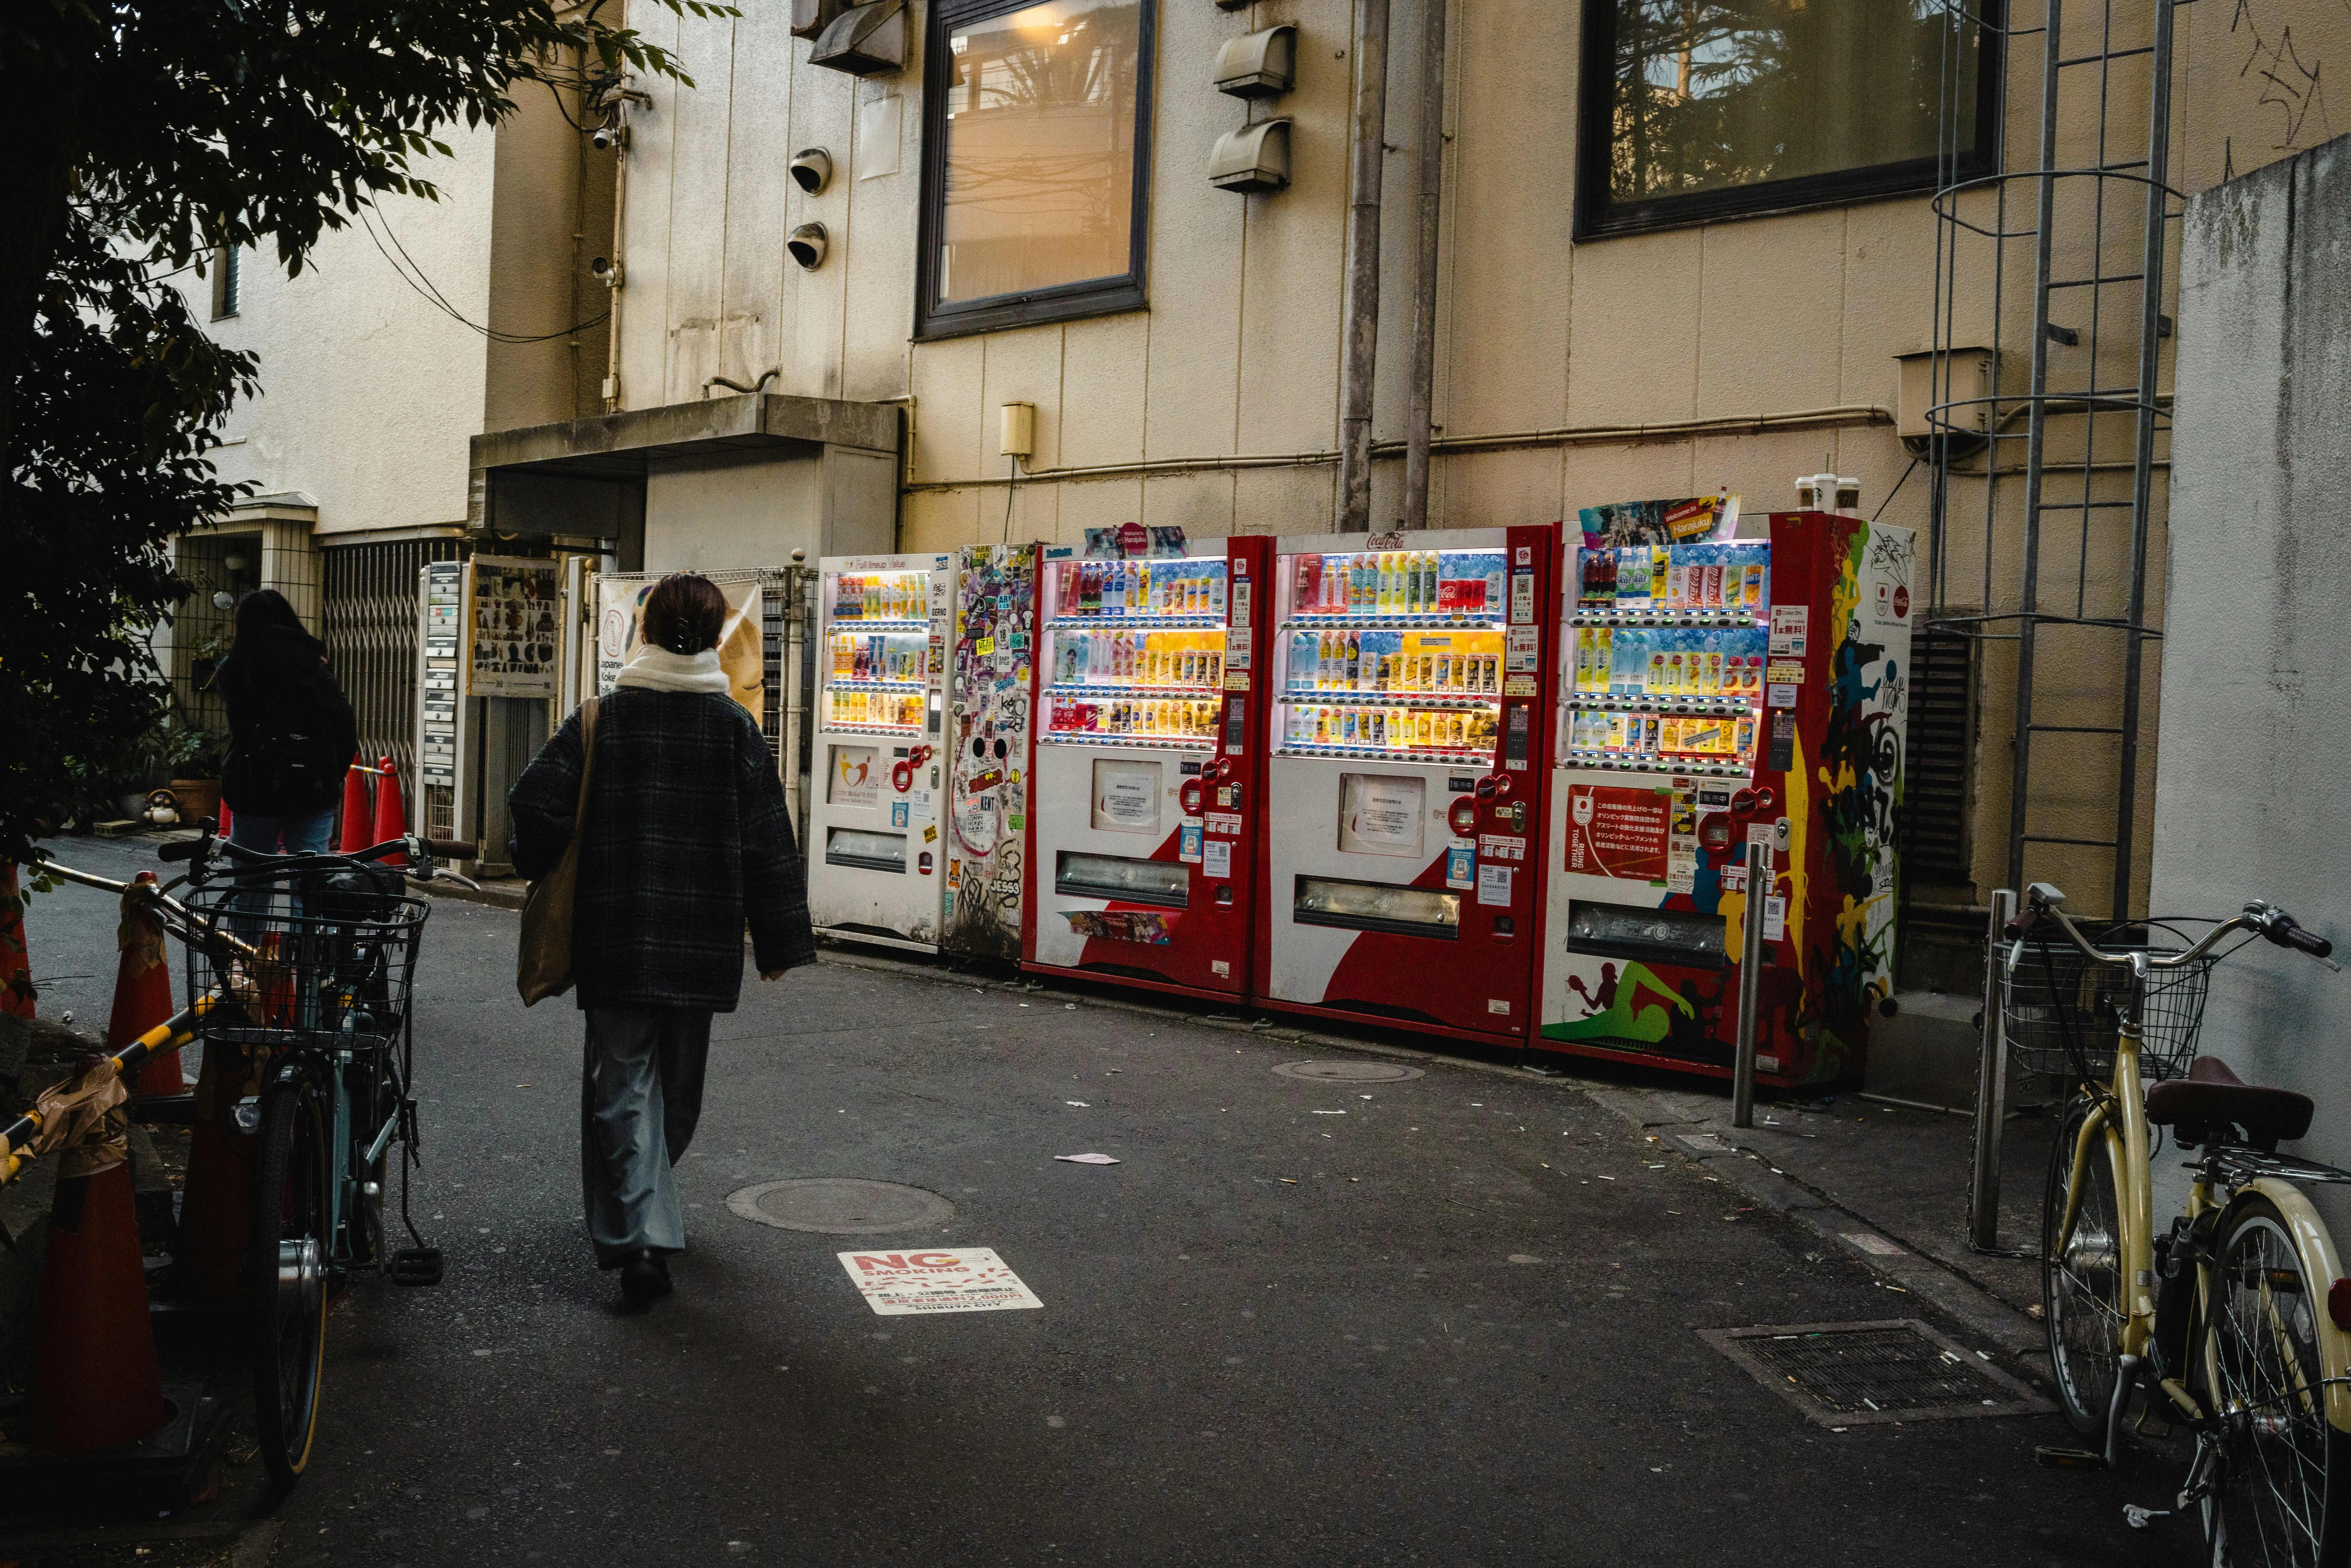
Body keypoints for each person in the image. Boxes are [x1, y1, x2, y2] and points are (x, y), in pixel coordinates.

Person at [508, 573, 816, 1307]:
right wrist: (777, 943)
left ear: (643, 631)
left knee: (622, 1086)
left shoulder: (602, 717)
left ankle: (639, 1218)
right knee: (677, 1094)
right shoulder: (734, 727)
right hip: (699, 939)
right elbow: (769, 842)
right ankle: (644, 1235)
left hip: (615, 932)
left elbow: (533, 804)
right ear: (714, 639)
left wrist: (537, 863)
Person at [217, 589, 360, 857]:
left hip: (254, 786)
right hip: (313, 785)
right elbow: (345, 722)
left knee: (251, 875)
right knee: (311, 874)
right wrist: (330, 773)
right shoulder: (314, 664)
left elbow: (240, 729)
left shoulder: (235, 667)